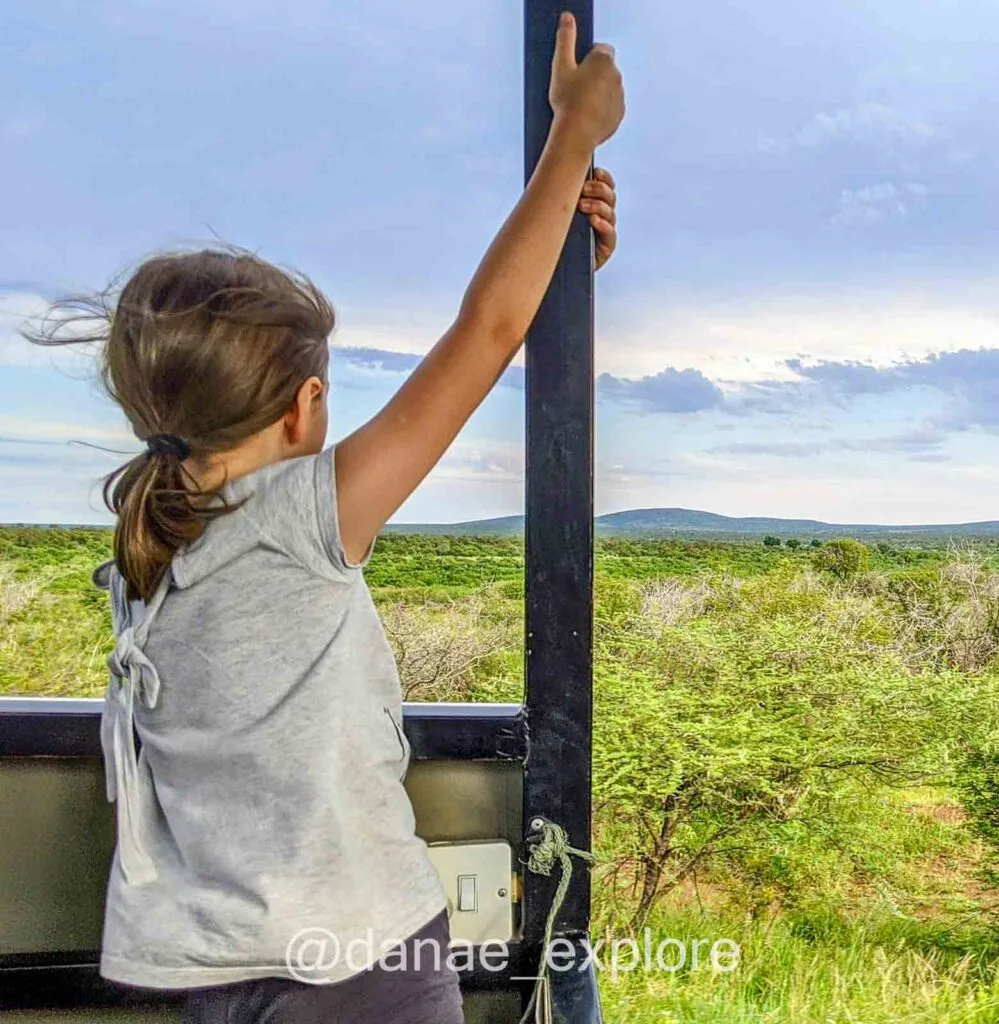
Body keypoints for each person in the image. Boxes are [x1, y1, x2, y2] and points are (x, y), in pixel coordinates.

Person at [29, 11, 624, 1024]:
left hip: (213, 969)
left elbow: (498, 323)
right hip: (358, 966)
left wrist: (558, 254)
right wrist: (572, 138)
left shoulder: (154, 536)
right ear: (305, 410)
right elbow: (485, 334)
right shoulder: (303, 521)